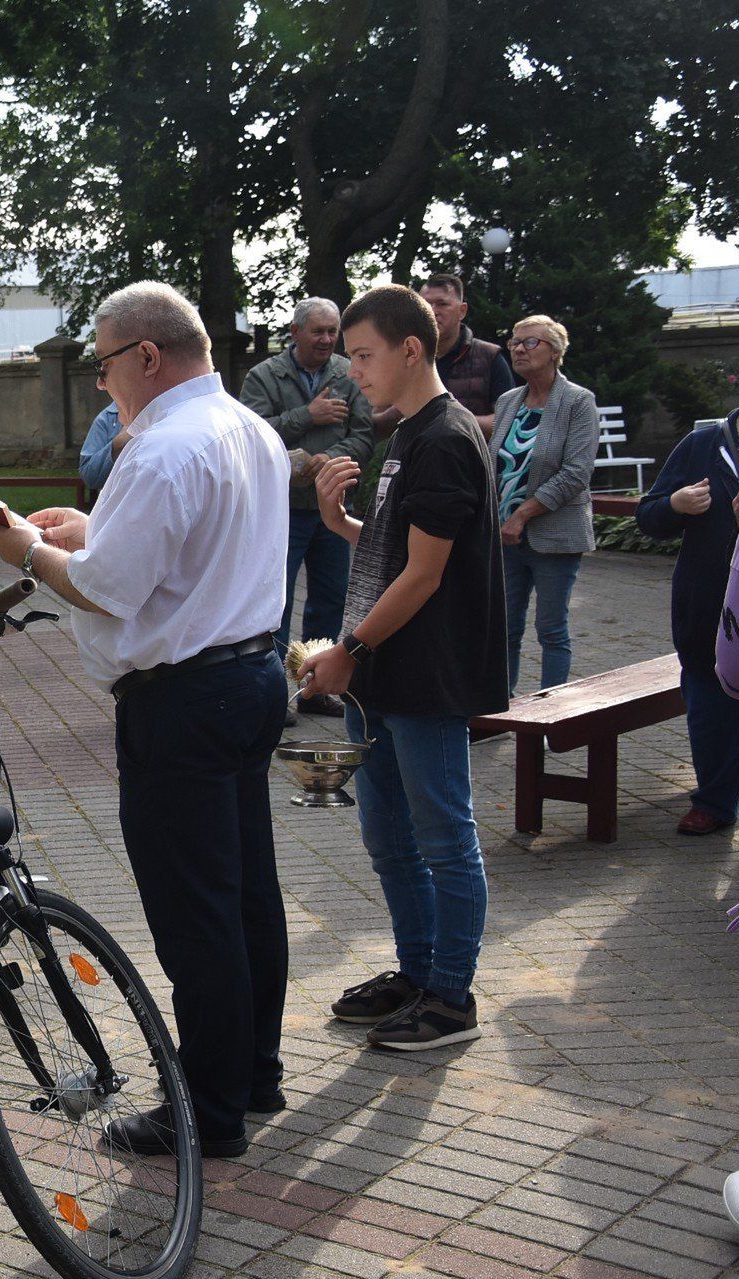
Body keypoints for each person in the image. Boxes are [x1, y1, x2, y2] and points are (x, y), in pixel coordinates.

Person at [0, 281, 291, 1159]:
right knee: (244, 892)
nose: (102, 383)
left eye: (106, 362)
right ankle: (252, 1071)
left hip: (183, 701)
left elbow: (108, 586)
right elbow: (177, 553)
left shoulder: (159, 451)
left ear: (147, 356)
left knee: (196, 913)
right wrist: (90, 524)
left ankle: (211, 1110)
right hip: (251, 675)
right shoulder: (247, 427)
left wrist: (30, 551)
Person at [299, 284, 504, 1052]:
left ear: (411, 349)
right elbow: (398, 554)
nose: (353, 373)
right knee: (389, 837)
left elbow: (423, 578)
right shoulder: (409, 435)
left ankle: (450, 996)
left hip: (426, 677)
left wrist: (348, 652)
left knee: (445, 838)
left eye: (363, 355)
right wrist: (339, 523)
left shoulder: (446, 437)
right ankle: (416, 972)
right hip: (385, 677)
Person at [636, 337, 739, 836]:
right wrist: (676, 505)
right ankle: (713, 801)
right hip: (709, 610)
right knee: (710, 713)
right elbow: (649, 516)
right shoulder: (703, 445)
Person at [240, 299, 380, 722]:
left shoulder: (348, 374)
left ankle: (315, 688)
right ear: (295, 332)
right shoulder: (263, 376)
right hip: (281, 511)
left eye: (332, 331)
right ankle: (272, 693)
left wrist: (330, 461)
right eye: (317, 331)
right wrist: (308, 414)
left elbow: (365, 433)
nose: (326, 339)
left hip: (333, 507)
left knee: (330, 600)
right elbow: (252, 434)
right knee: (274, 603)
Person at [491, 315, 599, 696]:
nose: (518, 348)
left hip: (553, 536)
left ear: (554, 352)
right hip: (505, 539)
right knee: (504, 629)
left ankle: (552, 715)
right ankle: (499, 710)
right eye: (514, 342)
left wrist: (521, 514)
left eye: (530, 342)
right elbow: (495, 466)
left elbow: (576, 473)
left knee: (551, 629)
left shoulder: (578, 402)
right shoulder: (507, 401)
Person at [421, 273, 517, 434]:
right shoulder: (408, 358)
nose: (432, 311)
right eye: (425, 304)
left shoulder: (489, 356)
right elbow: (382, 416)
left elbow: (509, 420)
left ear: (462, 311)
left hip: (472, 456)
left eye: (442, 304)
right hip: (416, 457)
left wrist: (451, 419)